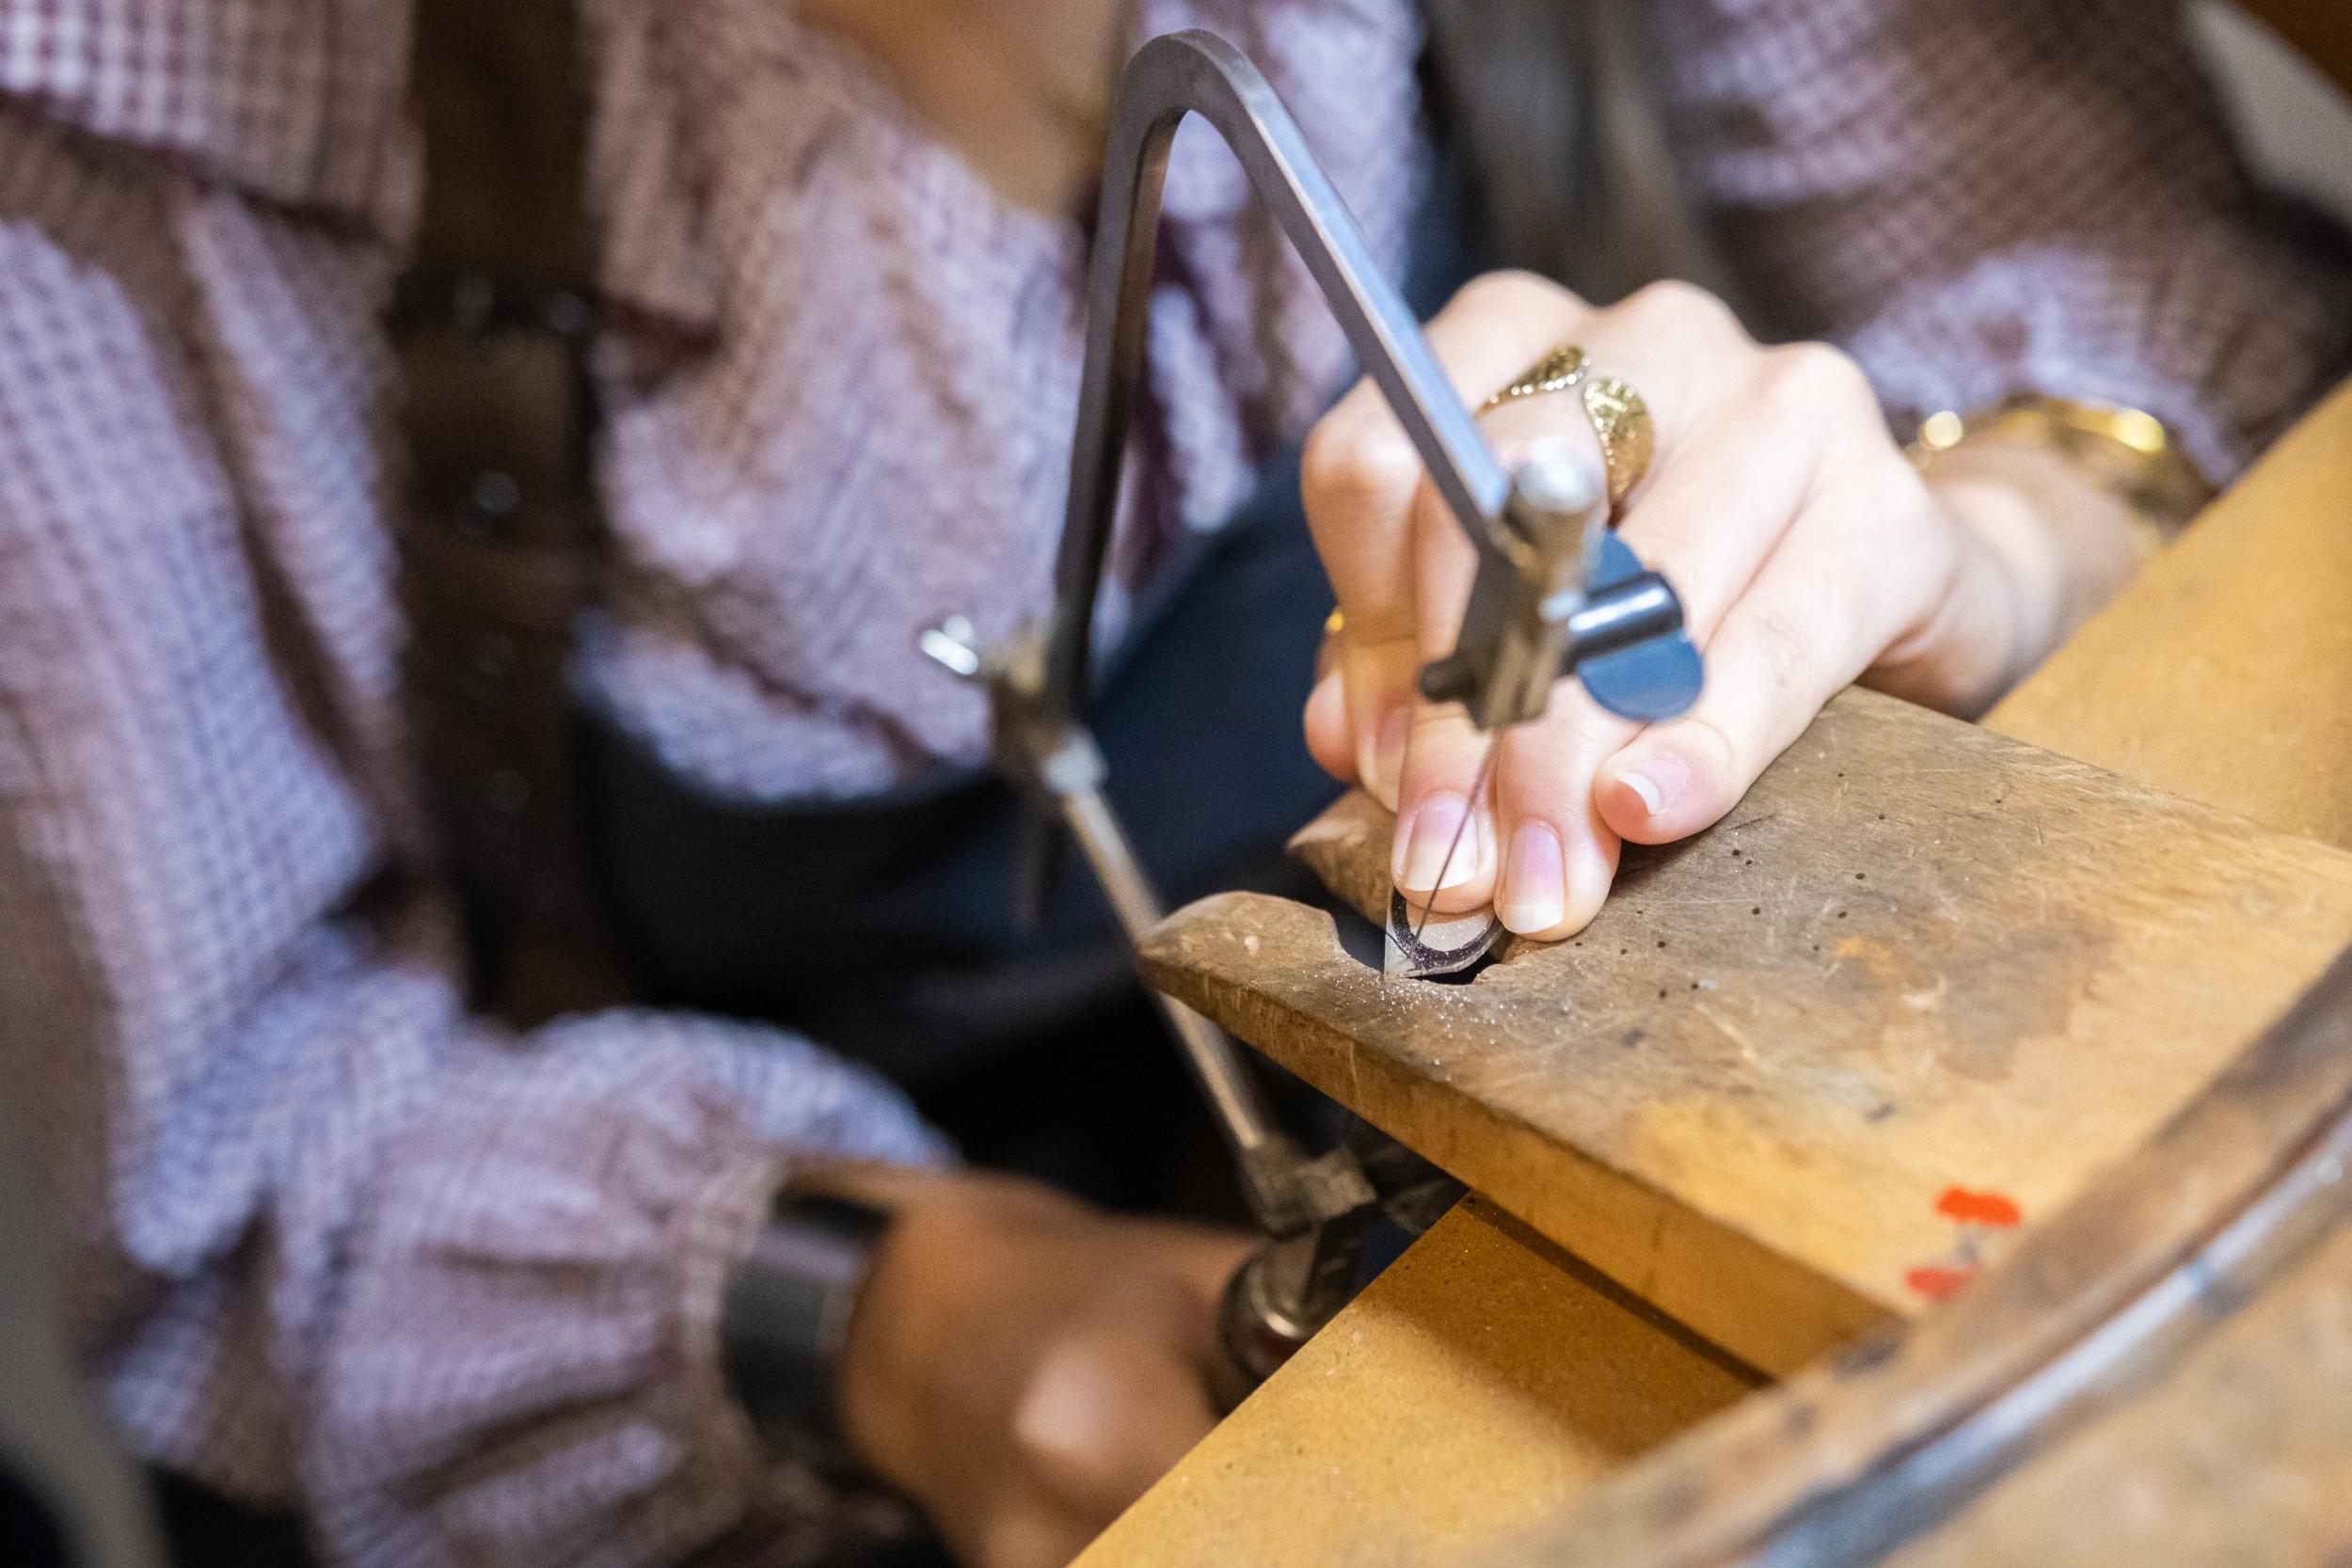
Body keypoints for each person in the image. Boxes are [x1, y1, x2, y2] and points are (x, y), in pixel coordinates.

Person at [1, 4, 2345, 1568]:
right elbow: (220, 1162)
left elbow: (2101, 278)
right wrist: (914, 1327)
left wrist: (1995, 541)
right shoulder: (121, 116)